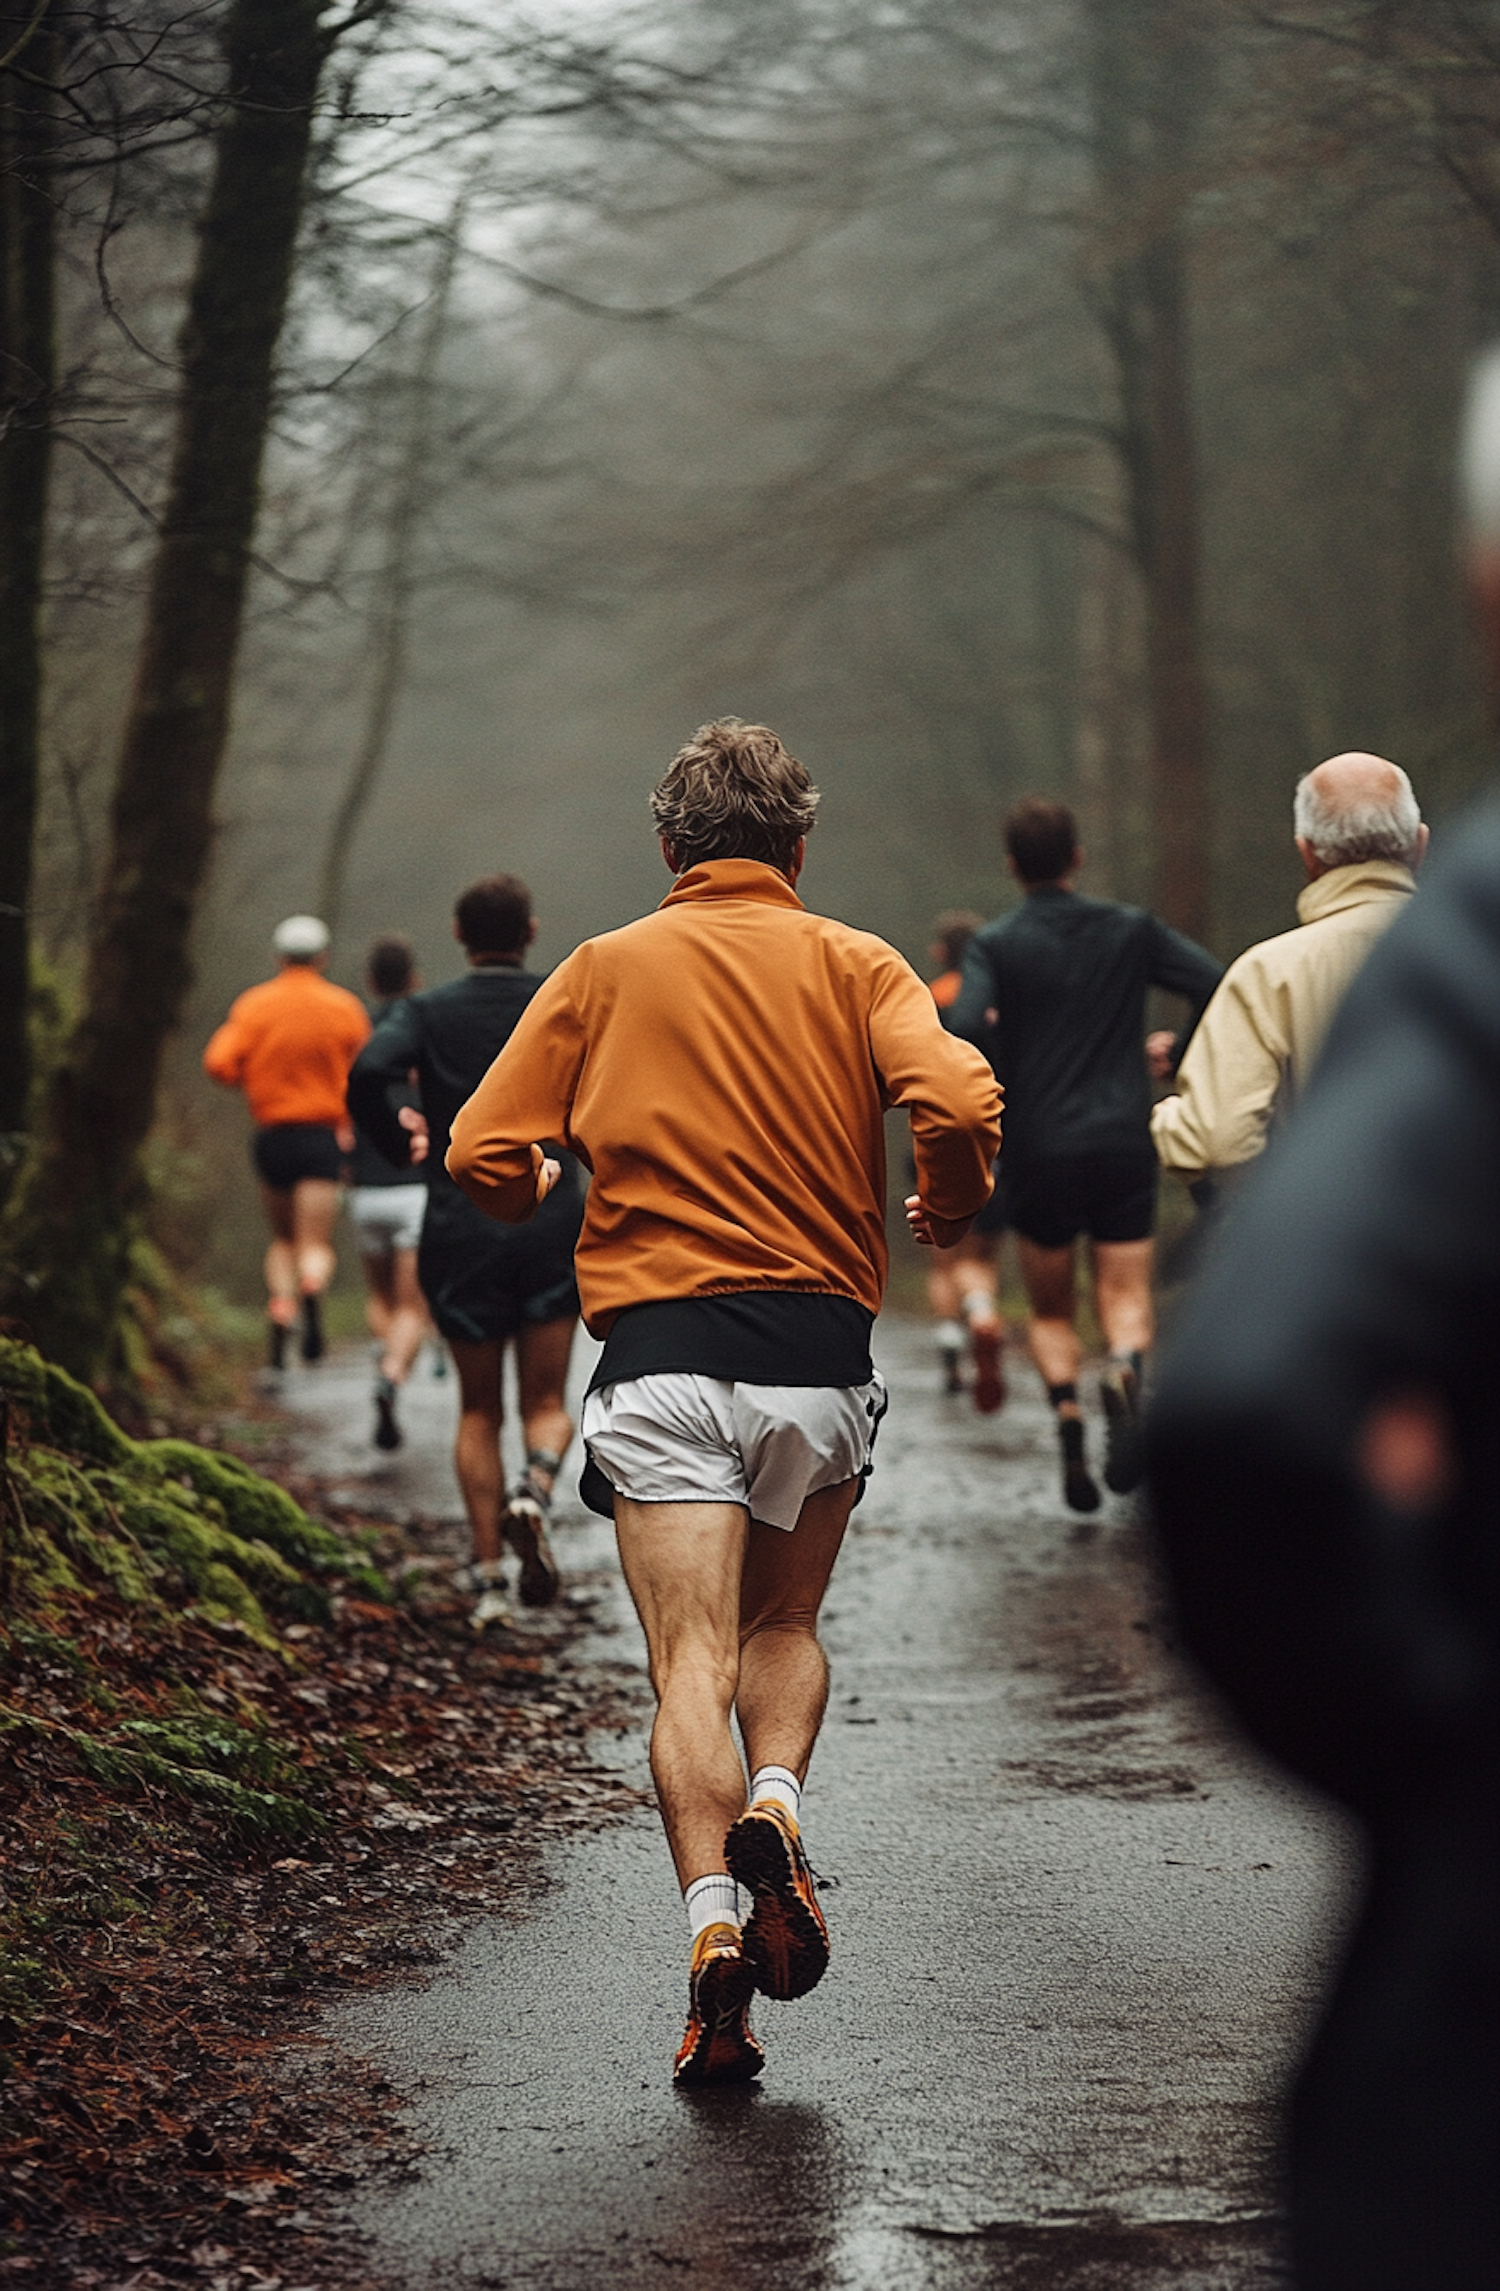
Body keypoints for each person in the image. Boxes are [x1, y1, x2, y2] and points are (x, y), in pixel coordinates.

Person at [446, 719, 1000, 2087]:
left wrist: (531, 1190)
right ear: (800, 846)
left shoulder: (601, 966)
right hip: (816, 1354)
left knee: (686, 1664)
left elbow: (478, 1149)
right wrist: (952, 1194)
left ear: (667, 848)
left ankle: (710, 1944)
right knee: (786, 1623)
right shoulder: (860, 959)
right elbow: (962, 1094)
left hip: (662, 1359)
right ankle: (777, 1800)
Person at [1144, 356, 1500, 2291]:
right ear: (1415, 832)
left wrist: (1419, 1741)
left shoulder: (1374, 974)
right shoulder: (1448, 921)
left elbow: (1245, 1394)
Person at [945, 798, 1220, 1512]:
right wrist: (1178, 1051)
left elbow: (966, 1022)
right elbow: (1212, 981)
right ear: (1077, 857)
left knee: (1051, 1309)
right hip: (1124, 1136)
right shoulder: (1129, 929)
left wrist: (1009, 1067)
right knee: (1124, 1294)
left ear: (1012, 866)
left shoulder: (997, 944)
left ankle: (1068, 1413)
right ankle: (1124, 1368)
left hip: (1040, 1143)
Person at [346, 876, 584, 1633]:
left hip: (459, 1219)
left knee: (476, 1410)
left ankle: (487, 1584)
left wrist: (396, 1140)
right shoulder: (566, 999)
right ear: (532, 928)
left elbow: (366, 1072)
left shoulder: (425, 1010)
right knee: (546, 1406)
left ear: (458, 932)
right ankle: (536, 1491)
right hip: (551, 1217)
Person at [1151, 753, 1425, 1184]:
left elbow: (1215, 1143)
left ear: (1307, 853)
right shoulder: (1480, 951)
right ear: (1420, 845)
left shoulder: (1266, 974)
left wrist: (1172, 1120)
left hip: (1342, 1239)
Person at [204, 915, 369, 1371]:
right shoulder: (344, 1007)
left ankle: (281, 1305)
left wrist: (255, 1080)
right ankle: (312, 1284)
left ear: (279, 957)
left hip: (273, 1136)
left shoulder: (254, 1005)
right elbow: (366, 1070)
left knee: (282, 1240)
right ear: (323, 957)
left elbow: (218, 1063)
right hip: (322, 1137)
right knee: (314, 1241)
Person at [345, 935, 433, 1453]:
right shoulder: (425, 1030)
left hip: (365, 1190)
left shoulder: (357, 1035)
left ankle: (384, 1358)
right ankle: (393, 1374)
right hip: (415, 1190)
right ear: (415, 979)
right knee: (411, 1307)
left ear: (371, 982)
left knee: (380, 1298)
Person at [923, 911, 1008, 1408]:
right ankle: (983, 1310)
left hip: (939, 1137)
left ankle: (954, 1338)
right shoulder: (998, 1004)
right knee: (983, 1254)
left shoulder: (932, 1000)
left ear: (941, 952)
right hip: (999, 1139)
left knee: (944, 1257)